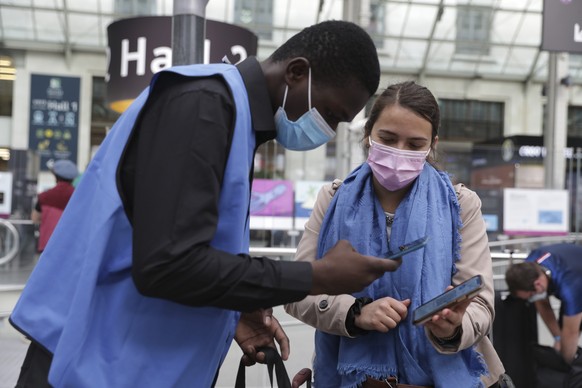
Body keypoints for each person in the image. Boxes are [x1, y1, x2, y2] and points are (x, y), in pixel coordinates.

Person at [10, 20, 404, 388]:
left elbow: (180, 249)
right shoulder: (204, 106)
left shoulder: (233, 120)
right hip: (88, 363)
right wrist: (316, 276)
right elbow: (169, 264)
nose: (326, 129)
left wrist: (231, 309)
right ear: (296, 73)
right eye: (330, 113)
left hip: (122, 361)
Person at [285, 81, 506, 387]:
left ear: (433, 144)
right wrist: (355, 313)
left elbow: (480, 303)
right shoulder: (332, 199)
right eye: (388, 139)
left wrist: (453, 328)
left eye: (415, 144)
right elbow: (297, 290)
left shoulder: (461, 205)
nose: (399, 152)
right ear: (368, 135)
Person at [505, 243, 582, 364]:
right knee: (563, 340)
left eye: (531, 296)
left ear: (538, 284)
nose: (531, 299)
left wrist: (564, 368)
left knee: (569, 342)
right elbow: (542, 304)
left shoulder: (570, 287)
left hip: (576, 276)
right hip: (569, 266)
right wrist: (557, 337)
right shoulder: (529, 266)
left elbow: (571, 332)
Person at [31, 159, 78, 253]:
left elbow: (35, 218)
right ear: (73, 178)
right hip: (71, 246)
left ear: (55, 176)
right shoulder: (79, 196)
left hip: (47, 245)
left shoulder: (44, 196)